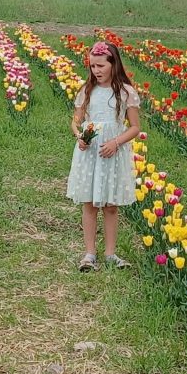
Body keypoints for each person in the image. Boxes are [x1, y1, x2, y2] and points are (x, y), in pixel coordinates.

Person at [68, 40, 142, 272]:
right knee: (89, 203)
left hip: (112, 151)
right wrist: (79, 136)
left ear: (113, 64)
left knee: (110, 205)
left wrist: (116, 142)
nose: (96, 71)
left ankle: (110, 253)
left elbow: (134, 127)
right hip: (90, 152)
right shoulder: (87, 90)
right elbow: (76, 121)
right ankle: (89, 254)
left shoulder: (125, 92)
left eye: (101, 66)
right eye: (92, 66)